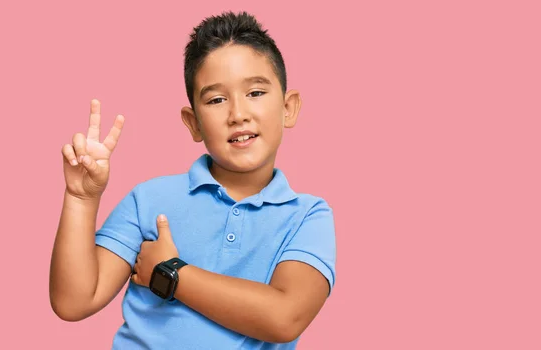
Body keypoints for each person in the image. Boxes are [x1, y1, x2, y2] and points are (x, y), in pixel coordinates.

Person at [49, 11, 336, 349]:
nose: (238, 114)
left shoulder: (307, 216)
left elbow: (285, 317)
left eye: (255, 93)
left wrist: (172, 273)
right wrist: (81, 199)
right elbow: (74, 302)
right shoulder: (149, 199)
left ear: (289, 108)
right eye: (216, 100)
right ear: (193, 123)